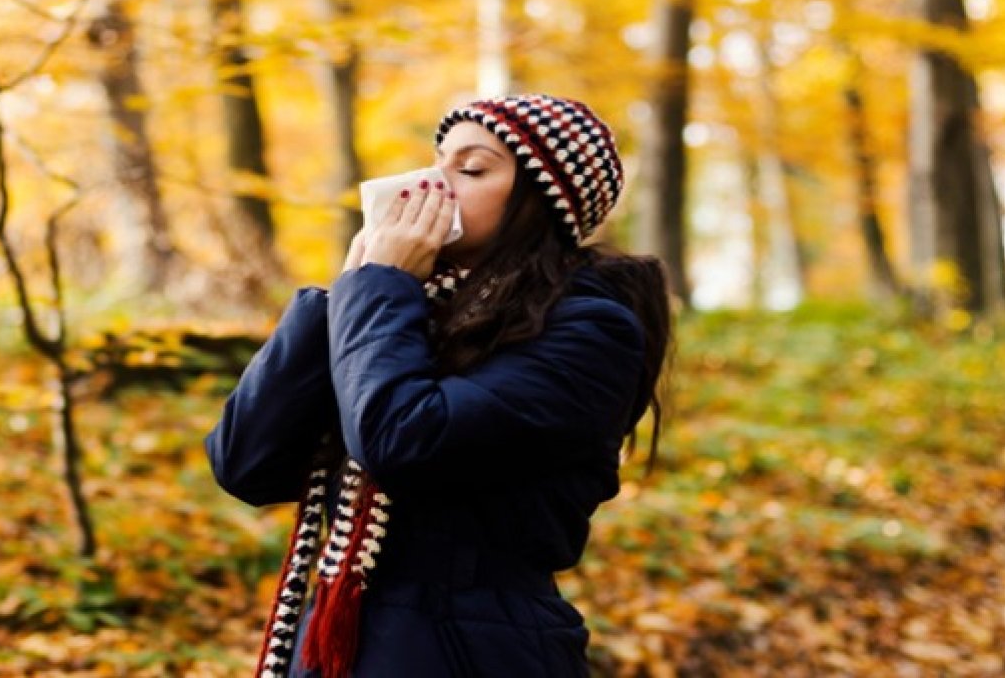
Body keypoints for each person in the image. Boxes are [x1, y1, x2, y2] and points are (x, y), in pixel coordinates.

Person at [205, 94, 673, 677]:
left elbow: (403, 438)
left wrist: (379, 289)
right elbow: (245, 463)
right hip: (340, 645)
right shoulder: (405, 310)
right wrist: (344, 293)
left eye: (471, 168)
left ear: (542, 203)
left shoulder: (590, 331)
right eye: (438, 160)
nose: (432, 182)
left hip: (474, 652)